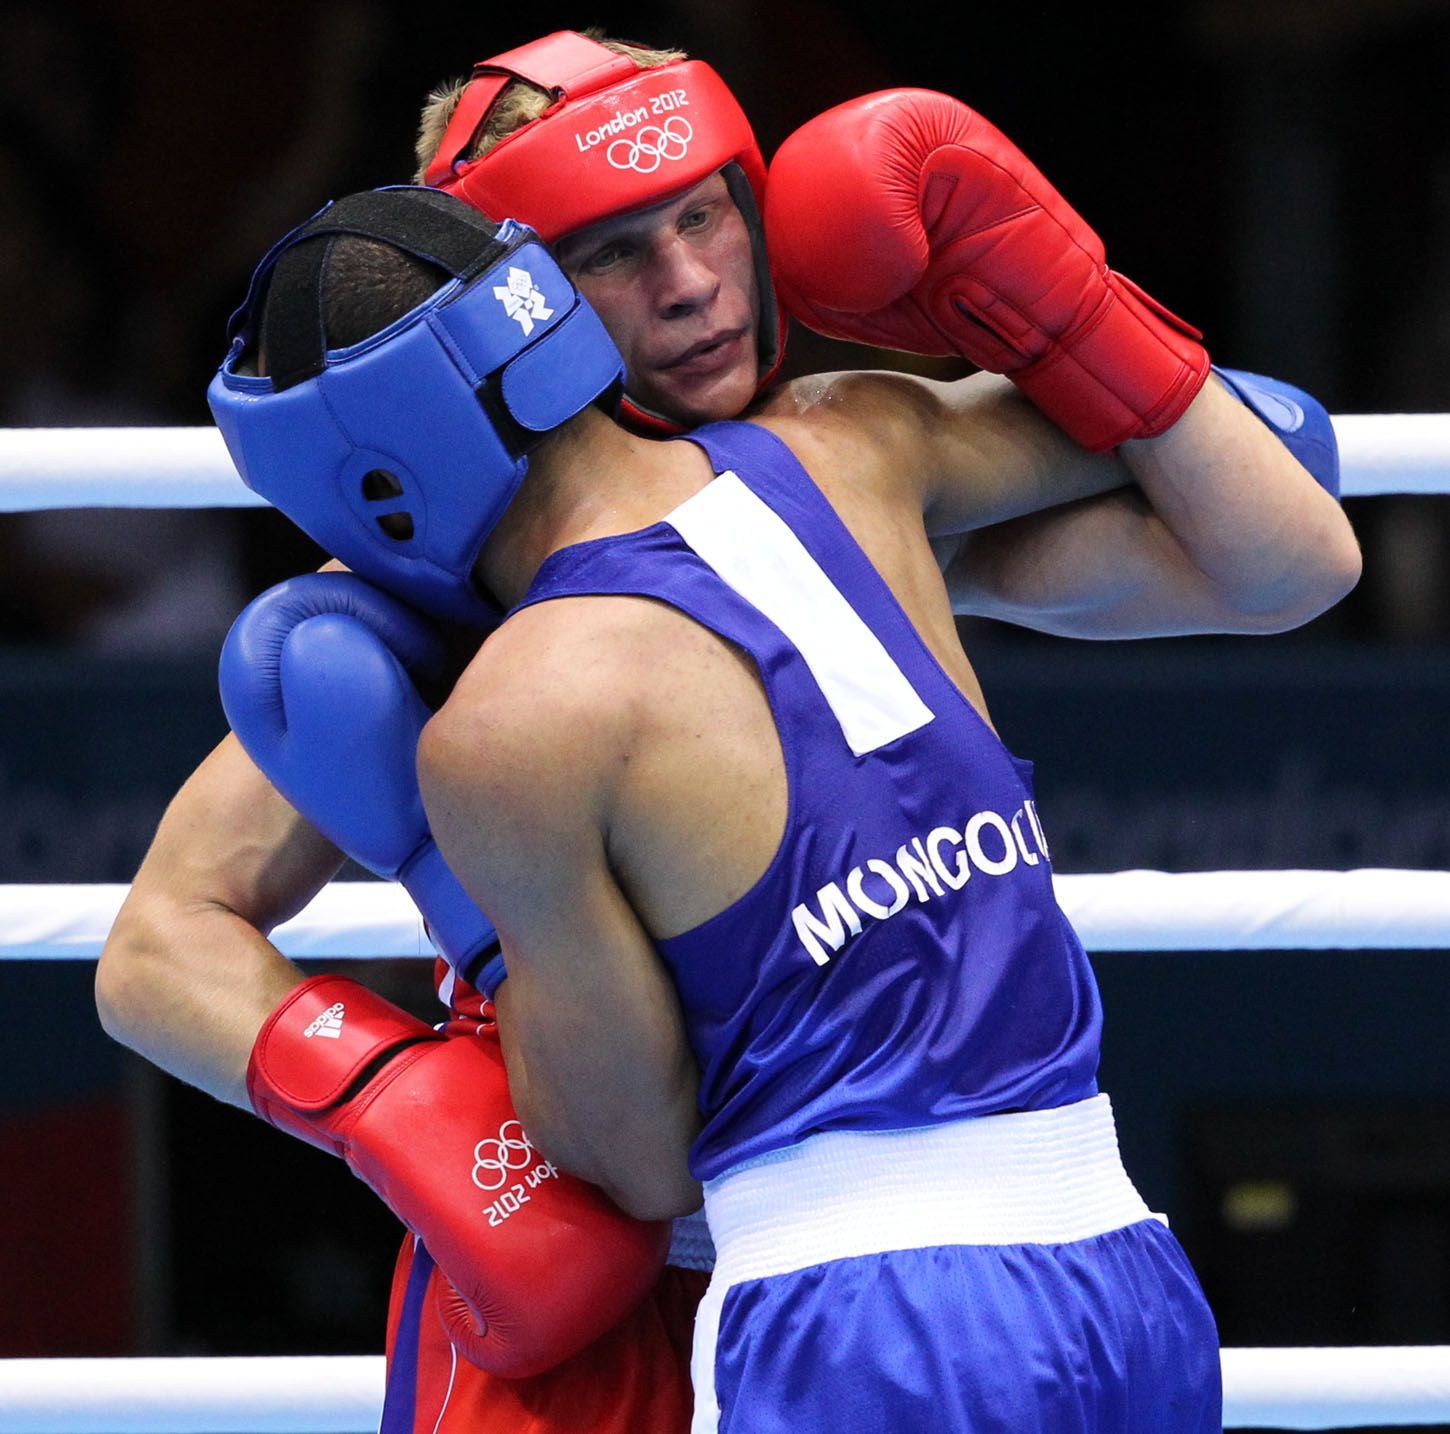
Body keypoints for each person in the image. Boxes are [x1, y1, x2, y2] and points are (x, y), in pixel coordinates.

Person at [97, 31, 1357, 1434]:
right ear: (521, 307)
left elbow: (1269, 538)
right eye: (610, 255)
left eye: (704, 215)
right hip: (623, 1283)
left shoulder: (859, 449)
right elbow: (160, 945)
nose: (692, 287)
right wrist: (421, 1109)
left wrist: (1051, 292)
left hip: (842, 1265)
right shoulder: (396, 611)